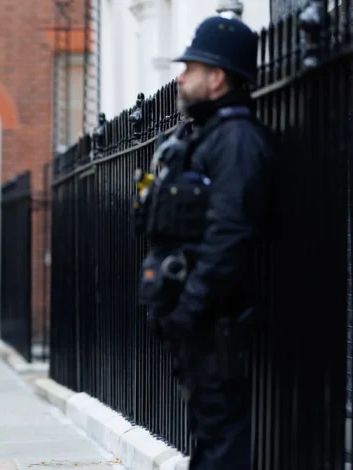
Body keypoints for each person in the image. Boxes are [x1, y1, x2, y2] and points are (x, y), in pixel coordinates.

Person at [135, 15, 273, 470]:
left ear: (216, 78)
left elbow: (229, 237)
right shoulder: (201, 138)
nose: (180, 77)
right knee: (207, 438)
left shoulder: (236, 141)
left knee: (221, 445)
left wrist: (189, 310)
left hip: (217, 324)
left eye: (190, 68)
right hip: (197, 327)